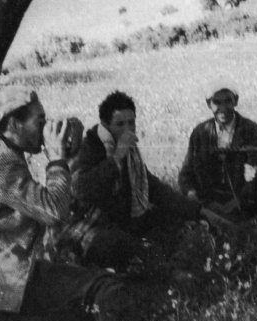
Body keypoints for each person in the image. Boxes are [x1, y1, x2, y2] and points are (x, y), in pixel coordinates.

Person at [0, 86, 152, 321]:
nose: (46, 127)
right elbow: (54, 212)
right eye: (40, 121)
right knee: (101, 288)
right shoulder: (1, 163)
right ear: (14, 124)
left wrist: (68, 158)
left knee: (82, 310)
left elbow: (38, 203)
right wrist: (58, 159)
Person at [68, 91, 220, 269]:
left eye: (131, 123)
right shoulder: (91, 147)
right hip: (94, 225)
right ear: (105, 125)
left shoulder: (130, 153)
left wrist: (198, 210)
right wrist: (116, 158)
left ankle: (167, 262)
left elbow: (154, 189)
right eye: (120, 124)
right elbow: (80, 188)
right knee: (122, 246)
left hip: (125, 220)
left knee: (174, 222)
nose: (128, 129)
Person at [178, 80, 257, 221]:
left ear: (236, 101)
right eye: (217, 102)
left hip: (243, 204)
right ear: (209, 104)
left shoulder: (250, 130)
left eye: (228, 101)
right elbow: (186, 173)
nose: (223, 108)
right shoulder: (200, 132)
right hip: (207, 204)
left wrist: (238, 202)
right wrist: (192, 195)